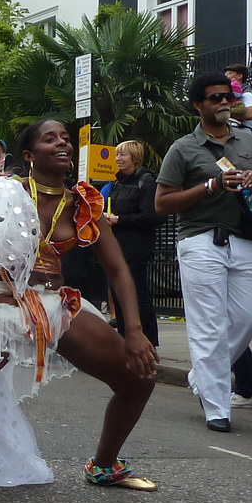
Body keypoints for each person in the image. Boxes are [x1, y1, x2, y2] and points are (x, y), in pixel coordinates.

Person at [0, 118, 158, 499]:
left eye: (66, 139)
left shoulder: (83, 202)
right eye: (50, 139)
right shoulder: (4, 192)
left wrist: (134, 331)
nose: (62, 144)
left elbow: (118, 268)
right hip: (3, 304)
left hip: (55, 302)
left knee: (139, 378)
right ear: (28, 154)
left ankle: (104, 465)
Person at [155, 71, 252, 432]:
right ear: (198, 105)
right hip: (201, 241)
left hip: (246, 239)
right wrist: (211, 185)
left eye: (227, 97)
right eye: (215, 98)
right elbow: (162, 204)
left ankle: (202, 376)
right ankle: (217, 407)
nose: (223, 103)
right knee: (209, 327)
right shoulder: (183, 149)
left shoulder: (248, 142)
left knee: (250, 317)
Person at [103, 140, 160, 348]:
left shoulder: (146, 181)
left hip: (136, 246)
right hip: (118, 244)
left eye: (123, 155)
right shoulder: (118, 183)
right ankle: (125, 339)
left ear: (134, 158)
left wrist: (120, 220)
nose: (118, 159)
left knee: (137, 293)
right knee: (118, 293)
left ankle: (149, 340)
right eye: (117, 155)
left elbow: (151, 216)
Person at [224, 63, 252, 140]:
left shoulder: (247, 94)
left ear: (239, 76)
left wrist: (225, 114)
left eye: (229, 73)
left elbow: (250, 114)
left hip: (243, 131)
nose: (226, 75)